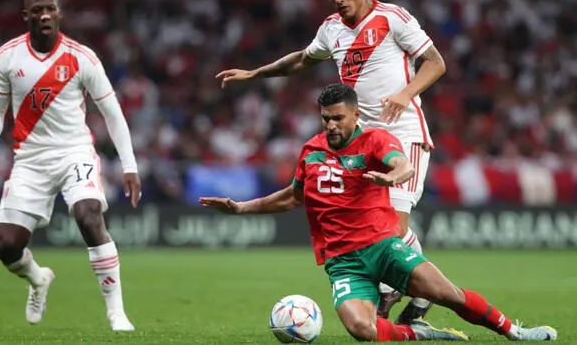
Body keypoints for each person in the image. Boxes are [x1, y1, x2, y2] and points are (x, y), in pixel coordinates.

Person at [200, 84, 557, 342]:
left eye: (338, 118)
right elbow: (294, 198)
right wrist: (240, 208)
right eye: (325, 119)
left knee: (448, 295)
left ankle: (514, 331)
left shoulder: (376, 141)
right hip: (343, 262)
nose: (331, 126)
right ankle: (417, 334)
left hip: (384, 248)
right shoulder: (310, 151)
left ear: (356, 115)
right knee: (361, 330)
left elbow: (402, 165)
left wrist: (393, 176)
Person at [216, 0, 443, 322]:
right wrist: (254, 74)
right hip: (363, 142)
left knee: (391, 229)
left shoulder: (392, 17)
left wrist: (404, 94)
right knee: (374, 226)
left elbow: (435, 62)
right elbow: (300, 60)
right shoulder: (331, 29)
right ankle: (411, 291)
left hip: (403, 133)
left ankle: (399, 292)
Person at [0, 0, 139, 331]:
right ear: (26, 16)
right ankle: (38, 279)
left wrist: (129, 166)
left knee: (88, 214)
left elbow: (113, 113)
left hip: (74, 152)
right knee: (7, 245)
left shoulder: (82, 57)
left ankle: (116, 313)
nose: (45, 15)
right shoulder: (7, 57)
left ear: (59, 12)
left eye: (50, 8)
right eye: (37, 10)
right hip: (30, 159)